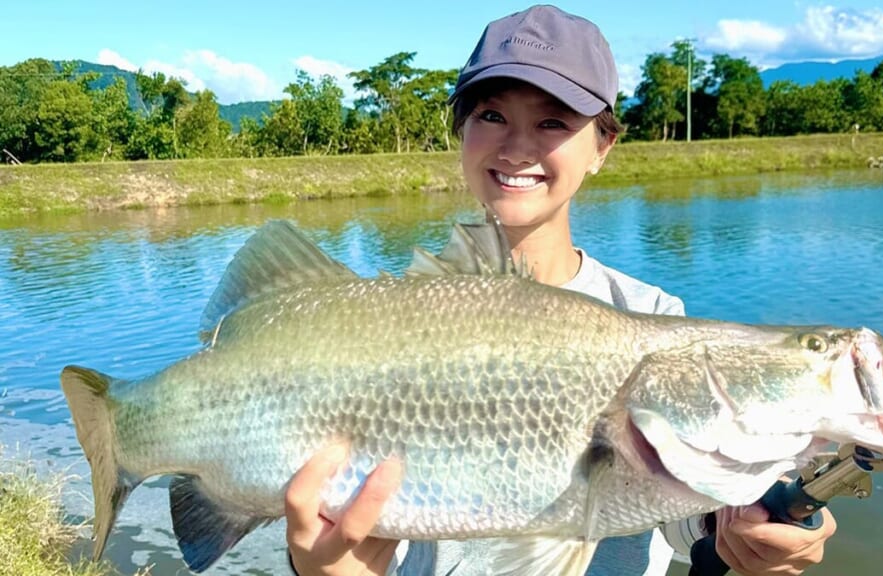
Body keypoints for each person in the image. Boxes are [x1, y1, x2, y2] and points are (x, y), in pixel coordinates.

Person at [285, 5, 837, 576]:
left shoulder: (649, 316)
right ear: (461, 135)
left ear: (602, 146)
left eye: (553, 122)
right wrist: (318, 566)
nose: (517, 147)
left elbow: (682, 506)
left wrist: (756, 524)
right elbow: (346, 512)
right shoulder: (383, 324)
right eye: (491, 114)